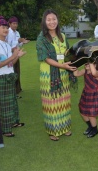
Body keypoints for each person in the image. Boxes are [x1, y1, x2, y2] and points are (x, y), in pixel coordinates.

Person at [36, 9, 77, 141]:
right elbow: (46, 58)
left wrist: (74, 60)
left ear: (57, 20)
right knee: (52, 103)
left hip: (63, 74)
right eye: (49, 20)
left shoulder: (63, 36)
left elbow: (67, 53)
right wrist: (62, 66)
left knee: (64, 101)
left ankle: (64, 128)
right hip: (49, 75)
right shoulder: (41, 38)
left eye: (54, 19)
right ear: (44, 21)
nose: (52, 22)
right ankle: (53, 131)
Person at [0, 17, 26, 137]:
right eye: (3, 27)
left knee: (12, 102)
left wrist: (17, 56)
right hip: (0, 78)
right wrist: (13, 56)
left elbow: (11, 64)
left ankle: (14, 122)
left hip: (9, 76)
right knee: (4, 105)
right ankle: (5, 130)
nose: (6, 29)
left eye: (6, 27)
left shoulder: (5, 44)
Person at [73, 59, 98, 138]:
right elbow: (76, 74)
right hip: (86, 93)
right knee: (82, 111)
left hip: (95, 94)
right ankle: (90, 126)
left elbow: (94, 73)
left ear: (95, 65)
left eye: (90, 64)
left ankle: (95, 129)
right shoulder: (84, 71)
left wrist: (91, 61)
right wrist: (75, 64)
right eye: (86, 64)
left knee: (91, 114)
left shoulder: (97, 73)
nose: (87, 65)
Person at [6, 16, 30, 96]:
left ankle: (18, 89)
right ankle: (12, 91)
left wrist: (22, 41)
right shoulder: (8, 32)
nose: (15, 25)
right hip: (9, 55)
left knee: (17, 71)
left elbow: (19, 44)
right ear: (9, 24)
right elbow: (9, 44)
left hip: (17, 54)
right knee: (11, 72)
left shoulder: (17, 32)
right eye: (13, 23)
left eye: (16, 23)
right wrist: (18, 40)